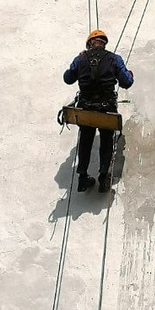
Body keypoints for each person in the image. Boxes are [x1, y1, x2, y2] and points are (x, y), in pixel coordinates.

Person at [63, 29, 134, 193]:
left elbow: (68, 78)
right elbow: (127, 82)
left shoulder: (81, 58)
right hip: (106, 108)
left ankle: (82, 177)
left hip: (86, 108)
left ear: (89, 44)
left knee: (86, 139)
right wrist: (130, 73)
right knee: (107, 139)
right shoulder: (114, 59)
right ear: (104, 43)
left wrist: (77, 64)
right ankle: (103, 176)